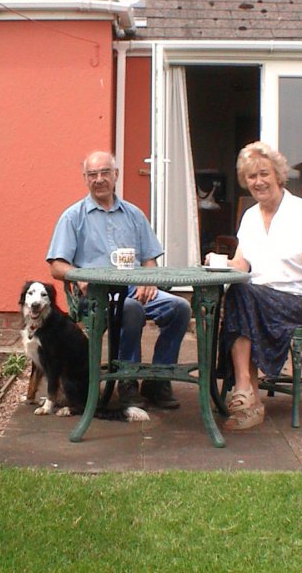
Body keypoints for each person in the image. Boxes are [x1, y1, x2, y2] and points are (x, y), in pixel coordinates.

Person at [210, 141, 302, 431]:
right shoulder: (250, 217)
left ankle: (244, 391)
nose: (258, 182)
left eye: (264, 174)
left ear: (278, 176)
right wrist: (218, 263)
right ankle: (249, 397)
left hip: (294, 299)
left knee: (241, 295)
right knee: (240, 292)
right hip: (256, 298)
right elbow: (241, 266)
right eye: (252, 177)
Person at [46, 150, 192, 409]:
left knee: (180, 308)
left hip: (136, 288)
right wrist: (79, 277)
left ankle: (159, 379)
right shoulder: (73, 216)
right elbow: (56, 266)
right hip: (97, 294)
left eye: (105, 173)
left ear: (116, 175)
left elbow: (149, 258)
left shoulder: (134, 214)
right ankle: (128, 380)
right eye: (93, 174)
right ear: (85, 179)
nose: (99, 179)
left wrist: (148, 280)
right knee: (131, 309)